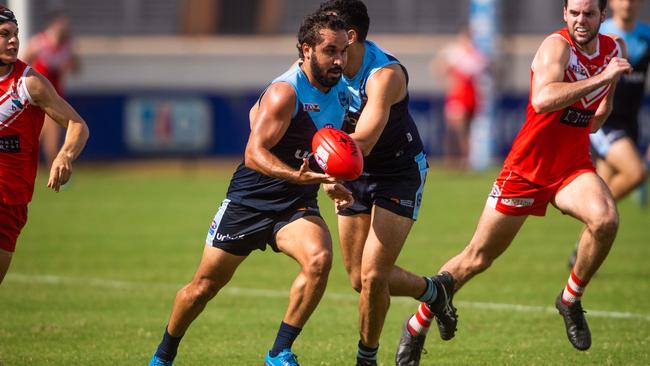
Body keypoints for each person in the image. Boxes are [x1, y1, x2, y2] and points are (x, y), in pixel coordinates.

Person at [396, 0, 632, 363]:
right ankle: (417, 324)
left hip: (571, 167)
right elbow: (541, 99)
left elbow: (603, 108)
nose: (581, 20)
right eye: (574, 13)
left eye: (589, 13)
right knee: (477, 258)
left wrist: (601, 105)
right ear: (564, 14)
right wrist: (602, 78)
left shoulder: (615, 48)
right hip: (526, 169)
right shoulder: (557, 47)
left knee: (606, 220)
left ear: (603, 15)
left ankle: (570, 298)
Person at [148, 13, 353, 366]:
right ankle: (163, 356)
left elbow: (323, 150)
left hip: (294, 205)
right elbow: (253, 153)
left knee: (319, 259)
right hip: (249, 201)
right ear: (306, 50)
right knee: (203, 288)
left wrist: (333, 182)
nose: (338, 60)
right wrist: (296, 176)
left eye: (343, 52)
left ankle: (278, 352)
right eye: (329, 51)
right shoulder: (285, 93)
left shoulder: (343, 93)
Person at [315, 2, 456, 365]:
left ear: (350, 36)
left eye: (331, 34)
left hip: (397, 172)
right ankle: (433, 290)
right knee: (358, 279)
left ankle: (367, 358)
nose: (324, 43)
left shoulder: (384, 75)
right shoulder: (324, 66)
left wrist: (330, 174)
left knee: (375, 274)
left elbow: (363, 140)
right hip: (354, 172)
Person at [0, 6, 89, 285]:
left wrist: (65, 156)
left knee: (51, 143)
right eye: (5, 35)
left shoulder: (29, 84)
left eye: (15, 34)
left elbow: (78, 125)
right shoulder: (40, 45)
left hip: (8, 203)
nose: (13, 40)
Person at [569, 0, 650, 267]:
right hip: (604, 121)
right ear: (610, 4)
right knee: (636, 173)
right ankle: (595, 213)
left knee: (604, 189)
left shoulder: (645, 35)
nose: (626, 3)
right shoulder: (601, 33)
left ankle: (581, 252)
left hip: (630, 123)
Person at [22, 10, 79, 169]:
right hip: (37, 97)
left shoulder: (67, 47)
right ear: (53, 26)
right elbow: (22, 64)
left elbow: (76, 68)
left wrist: (71, 62)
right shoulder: (39, 43)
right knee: (49, 135)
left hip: (56, 97)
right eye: (61, 25)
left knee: (41, 135)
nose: (64, 29)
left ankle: (49, 167)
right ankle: (55, 168)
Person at [433, 28, 488, 170]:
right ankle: (455, 159)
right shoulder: (456, 53)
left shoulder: (473, 55)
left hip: (468, 96)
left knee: (463, 130)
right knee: (455, 129)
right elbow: (439, 68)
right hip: (458, 96)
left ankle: (462, 160)